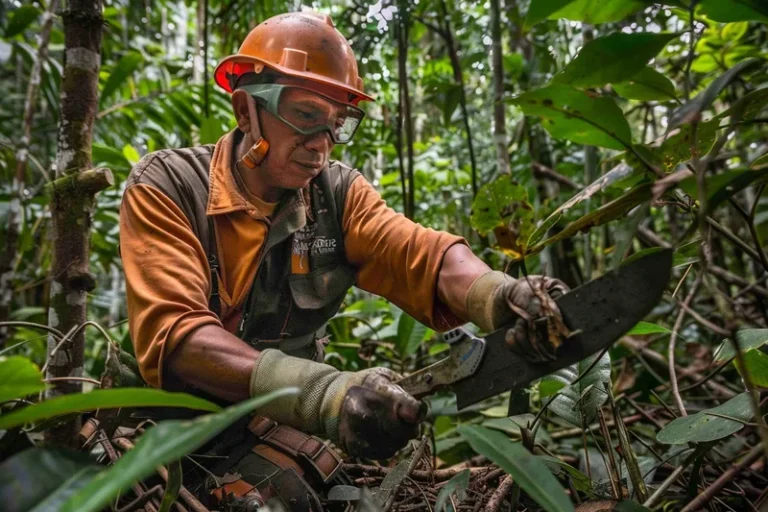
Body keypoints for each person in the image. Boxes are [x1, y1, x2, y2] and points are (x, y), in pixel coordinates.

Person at [118, 11, 567, 510]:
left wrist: (499, 294)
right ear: (245, 110)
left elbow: (417, 252)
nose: (321, 144)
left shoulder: (336, 194)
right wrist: (324, 393)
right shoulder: (170, 186)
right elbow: (179, 338)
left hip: (278, 423)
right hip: (174, 432)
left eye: (336, 125)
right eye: (307, 116)